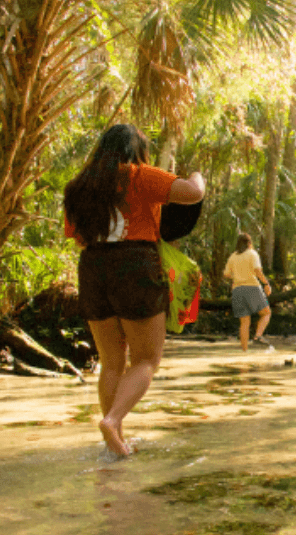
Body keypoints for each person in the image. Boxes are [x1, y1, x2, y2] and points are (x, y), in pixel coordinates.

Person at [63, 124, 205, 457]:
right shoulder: (138, 175)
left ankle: (116, 442)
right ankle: (112, 421)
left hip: (93, 267)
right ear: (136, 151)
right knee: (146, 360)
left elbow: (76, 235)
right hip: (136, 264)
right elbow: (191, 194)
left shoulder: (78, 187)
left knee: (111, 361)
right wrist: (199, 176)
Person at [223, 233, 271, 351]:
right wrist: (266, 284)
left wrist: (237, 275)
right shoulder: (252, 253)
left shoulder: (233, 256)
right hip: (252, 287)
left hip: (237, 290)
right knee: (266, 313)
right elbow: (257, 270)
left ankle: (244, 352)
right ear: (249, 243)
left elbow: (226, 274)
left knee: (244, 322)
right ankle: (258, 336)